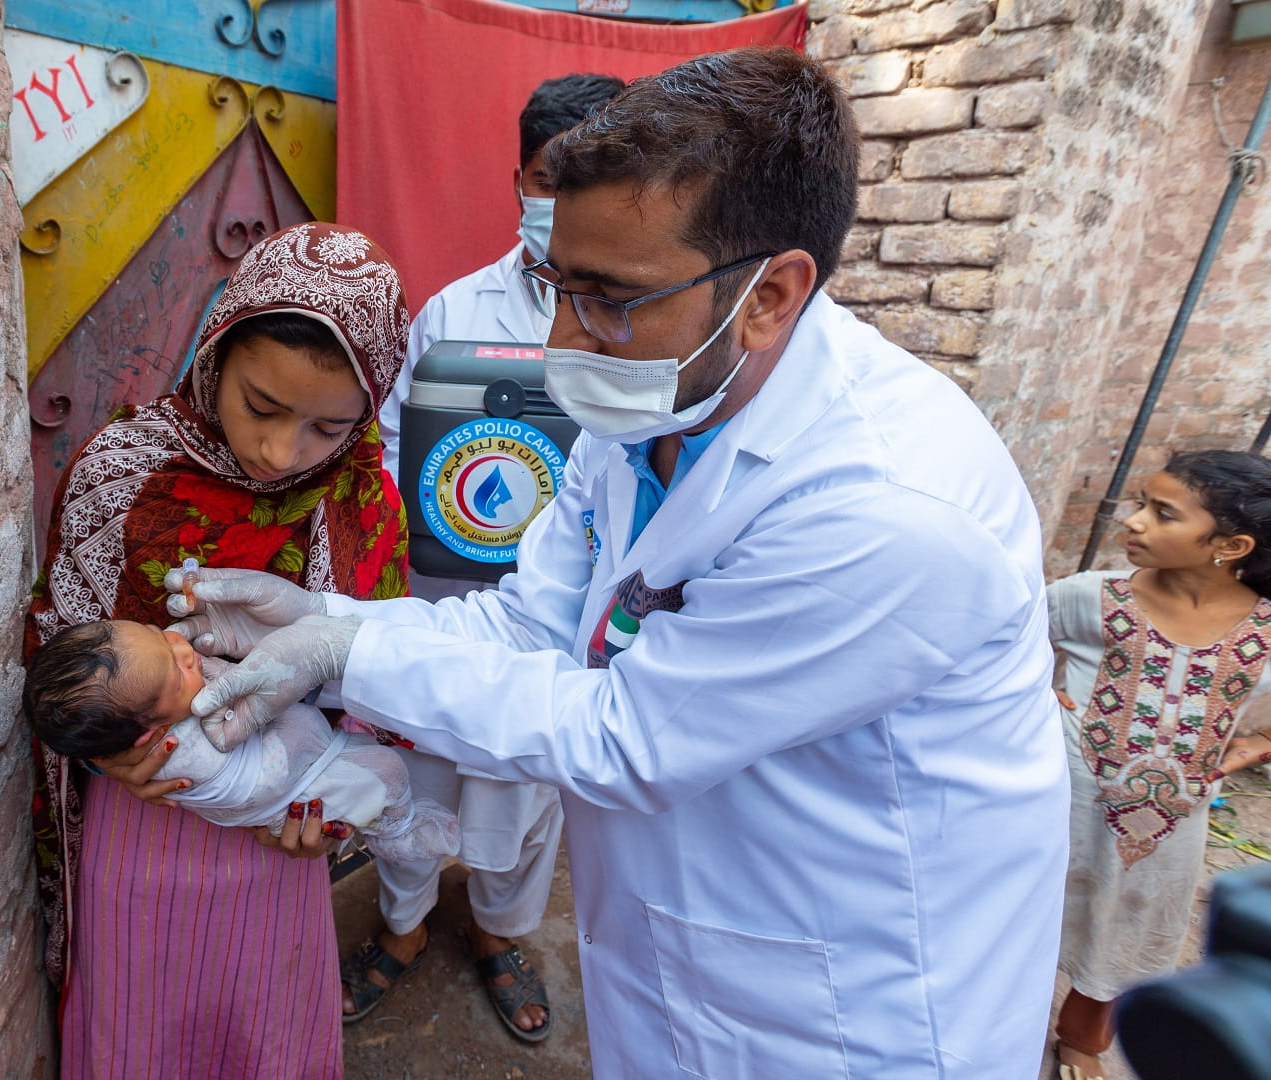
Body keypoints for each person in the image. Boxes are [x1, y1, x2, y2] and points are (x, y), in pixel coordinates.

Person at [166, 48, 1070, 1077]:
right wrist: (326, 620)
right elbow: (533, 624)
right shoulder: (653, 409)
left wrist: (344, 658)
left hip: (849, 1009)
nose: (562, 337)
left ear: (770, 294)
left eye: (606, 297)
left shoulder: (886, 511)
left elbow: (625, 737)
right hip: (682, 941)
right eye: (555, 285)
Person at [25, 221, 412, 1079]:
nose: (282, 452)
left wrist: (335, 819)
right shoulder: (124, 474)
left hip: (283, 841)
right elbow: (64, 649)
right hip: (144, 815)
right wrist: (101, 760)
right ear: (215, 355)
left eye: (327, 426)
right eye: (262, 407)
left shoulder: (364, 501)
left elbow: (388, 685)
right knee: (142, 1032)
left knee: (263, 1035)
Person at [352, 72, 626, 1043]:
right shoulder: (452, 314)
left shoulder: (638, 331)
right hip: (442, 600)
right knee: (412, 787)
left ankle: (500, 935)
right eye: (557, 179)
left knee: (523, 798)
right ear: (521, 181)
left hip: (552, 629)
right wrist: (427, 508)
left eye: (605, 175)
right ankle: (403, 926)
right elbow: (385, 446)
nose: (574, 204)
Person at [1046, 451, 1271, 1080]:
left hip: (1174, 823)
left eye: (1161, 513)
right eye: (1140, 504)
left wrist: (1250, 748)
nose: (1134, 521)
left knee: (1128, 926)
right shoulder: (1089, 598)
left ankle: (1080, 1040)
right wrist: (1039, 696)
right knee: (1029, 907)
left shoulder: (1266, 631)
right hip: (1063, 802)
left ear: (1230, 545)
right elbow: (1005, 646)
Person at [23, 619, 458, 861]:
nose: (184, 649)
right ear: (150, 736)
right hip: (289, 789)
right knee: (388, 771)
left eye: (158, 634)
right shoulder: (193, 749)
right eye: (178, 675)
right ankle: (399, 831)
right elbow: (252, 706)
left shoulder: (145, 700)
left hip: (303, 766)